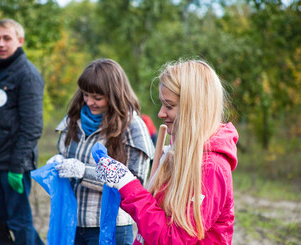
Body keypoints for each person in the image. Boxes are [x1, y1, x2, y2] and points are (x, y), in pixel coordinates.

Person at [94, 59, 239, 244]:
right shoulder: (177, 154)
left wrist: (128, 185)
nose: (161, 113)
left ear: (193, 109)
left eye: (169, 106)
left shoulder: (211, 169)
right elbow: (153, 222)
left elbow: (172, 239)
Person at [48, 58, 154, 245]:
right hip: (73, 222)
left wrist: (83, 172)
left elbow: (135, 182)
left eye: (97, 98)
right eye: (86, 95)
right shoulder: (74, 118)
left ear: (114, 95)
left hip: (111, 227)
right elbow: (65, 154)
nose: (89, 102)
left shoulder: (133, 127)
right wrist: (58, 161)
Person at [0, 19, 45, 245]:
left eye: (7, 38)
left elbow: (32, 127)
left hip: (13, 166)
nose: (1, 44)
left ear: (20, 41)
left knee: (19, 221)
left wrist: (17, 167)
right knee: (1, 219)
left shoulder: (28, 75)